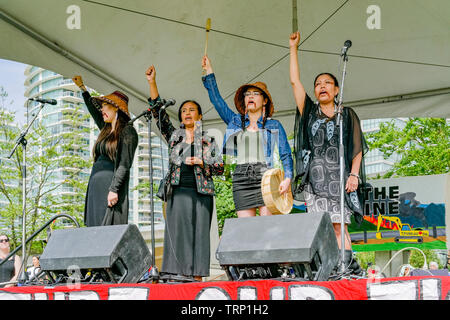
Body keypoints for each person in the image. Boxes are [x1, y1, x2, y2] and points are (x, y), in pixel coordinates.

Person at [289, 31, 367, 274]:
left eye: (327, 83)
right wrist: (293, 48)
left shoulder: (347, 115)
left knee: (339, 227)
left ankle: (345, 269)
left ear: (336, 90)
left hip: (339, 180)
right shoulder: (310, 111)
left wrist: (354, 176)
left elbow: (357, 149)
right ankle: (328, 270)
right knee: (321, 227)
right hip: (316, 180)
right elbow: (294, 82)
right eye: (318, 84)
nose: (321, 87)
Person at [145, 65, 224, 281]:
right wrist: (153, 83)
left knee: (199, 235)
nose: (187, 113)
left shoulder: (208, 139)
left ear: (199, 116)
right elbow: (158, 114)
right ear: (180, 117)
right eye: (183, 110)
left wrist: (201, 161)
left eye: (191, 110)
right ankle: (176, 277)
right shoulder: (174, 136)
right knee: (178, 235)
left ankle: (196, 279)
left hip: (202, 193)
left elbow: (220, 167)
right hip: (178, 191)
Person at [201, 55, 293, 217]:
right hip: (241, 178)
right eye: (247, 94)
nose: (250, 96)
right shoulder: (235, 121)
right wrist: (209, 71)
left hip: (265, 176)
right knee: (246, 230)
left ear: (264, 101)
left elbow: (286, 154)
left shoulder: (274, 125)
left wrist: (287, 178)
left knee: (267, 228)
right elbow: (217, 102)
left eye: (256, 93)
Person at [72, 76, 138, 226]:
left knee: (107, 227)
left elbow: (124, 164)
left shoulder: (128, 132)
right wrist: (83, 89)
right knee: (93, 227)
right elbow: (93, 110)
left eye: (104, 106)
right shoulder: (106, 129)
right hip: (95, 183)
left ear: (115, 107)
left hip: (110, 184)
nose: (101, 110)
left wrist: (114, 190)